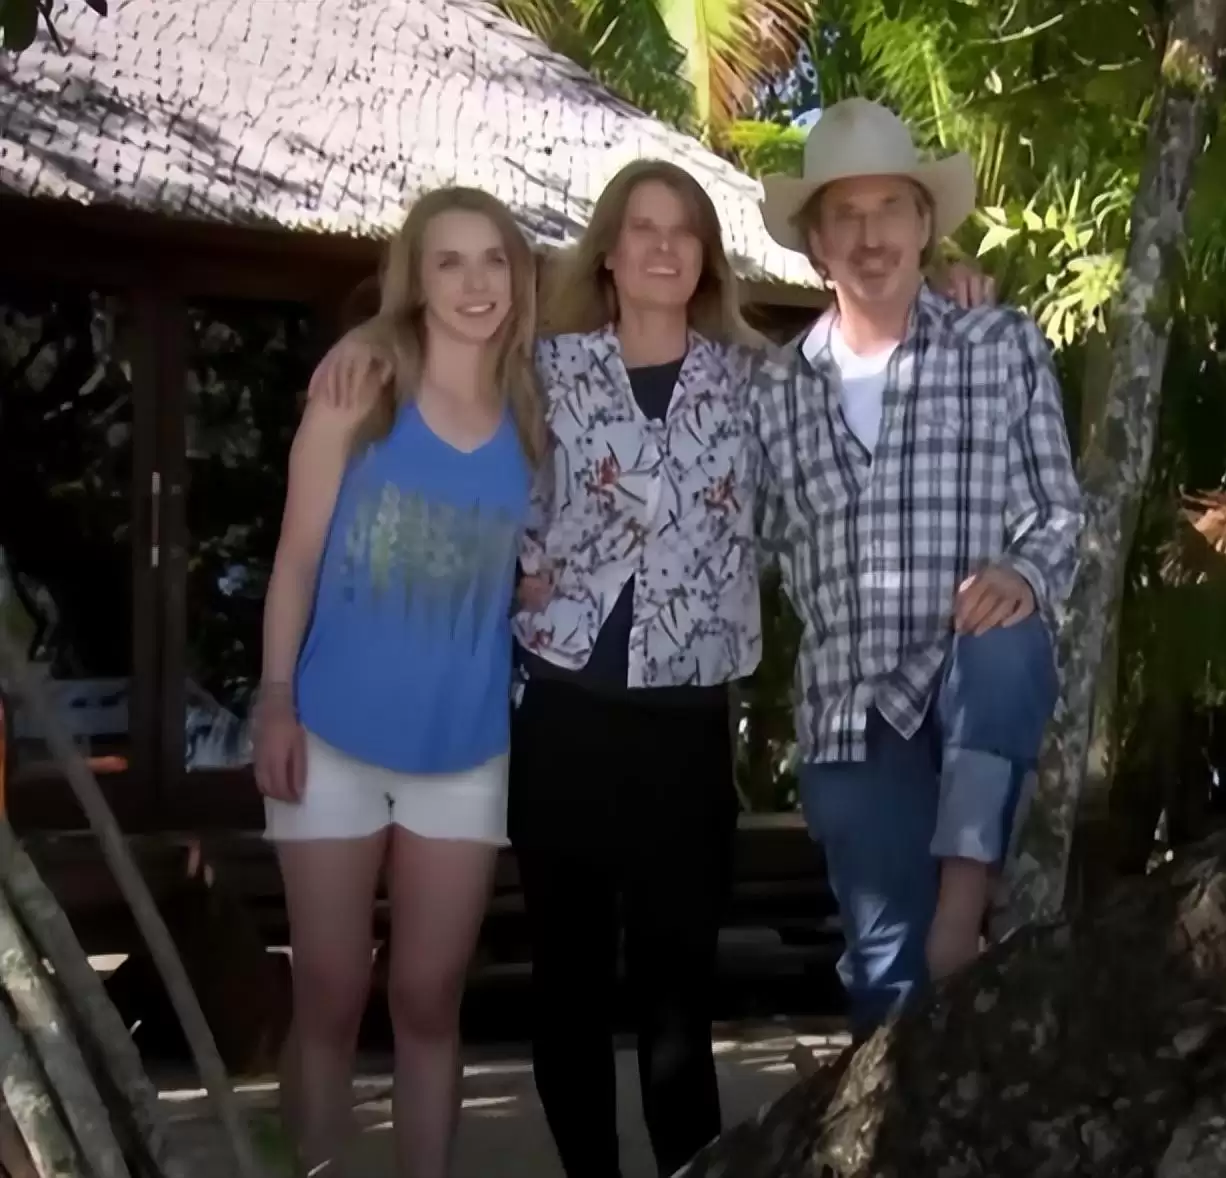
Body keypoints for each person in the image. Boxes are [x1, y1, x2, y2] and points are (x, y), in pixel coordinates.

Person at [305, 159, 993, 1178]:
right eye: (642, 228)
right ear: (609, 253)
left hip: (684, 723)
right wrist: (366, 336)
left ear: (705, 257)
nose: (663, 247)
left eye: (683, 231)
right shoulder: (543, 367)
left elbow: (866, 348)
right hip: (560, 714)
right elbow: (437, 337)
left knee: (678, 995)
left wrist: (948, 289)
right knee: (569, 987)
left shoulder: (759, 381)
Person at [751, 97, 1083, 1039]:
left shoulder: (998, 345)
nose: (871, 237)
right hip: (851, 711)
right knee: (883, 982)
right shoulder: (772, 391)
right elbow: (739, 542)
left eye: (890, 208)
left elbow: (1058, 511)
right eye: (846, 216)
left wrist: (1021, 573)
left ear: (925, 223)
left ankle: (961, 908)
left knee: (1008, 637)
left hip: (969, 684)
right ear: (817, 243)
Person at [251, 186, 546, 1178]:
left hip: (463, 749)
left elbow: (526, 559)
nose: (475, 282)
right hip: (330, 734)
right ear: (416, 280)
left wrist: (531, 581)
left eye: (494, 259)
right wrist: (276, 701)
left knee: (427, 999)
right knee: (331, 992)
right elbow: (294, 559)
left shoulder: (534, 414)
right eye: (449, 261)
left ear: (518, 278)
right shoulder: (360, 390)